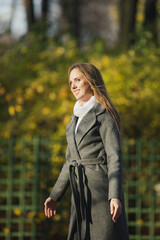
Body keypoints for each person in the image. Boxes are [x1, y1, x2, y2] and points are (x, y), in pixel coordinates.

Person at [44, 63, 129, 240]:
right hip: (80, 191)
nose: (73, 86)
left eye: (77, 80)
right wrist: (54, 196)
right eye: (70, 82)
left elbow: (114, 157)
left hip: (101, 190)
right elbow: (70, 162)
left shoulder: (104, 114)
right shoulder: (74, 120)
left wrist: (114, 196)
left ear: (90, 81)